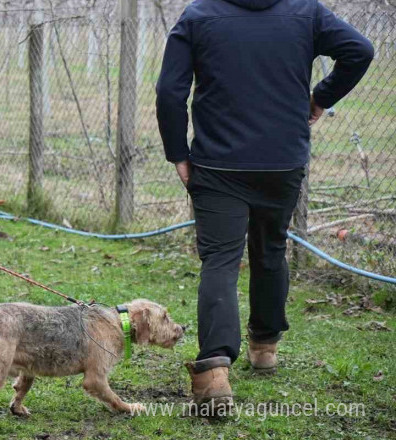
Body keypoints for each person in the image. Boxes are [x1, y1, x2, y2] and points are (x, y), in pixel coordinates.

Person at [156, 0, 373, 412]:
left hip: (217, 162)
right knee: (271, 248)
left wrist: (177, 152)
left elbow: (169, 90)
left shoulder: (199, 15)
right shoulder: (306, 11)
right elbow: (359, 50)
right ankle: (265, 347)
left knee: (220, 257)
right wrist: (322, 96)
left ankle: (215, 372)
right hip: (282, 160)